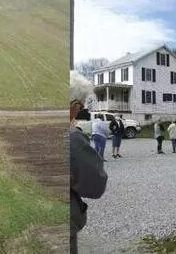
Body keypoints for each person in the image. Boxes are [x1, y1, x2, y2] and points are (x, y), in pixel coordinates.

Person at [70, 71, 108, 254]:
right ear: (73, 105)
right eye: (81, 107)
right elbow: (96, 184)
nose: (80, 111)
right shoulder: (72, 138)